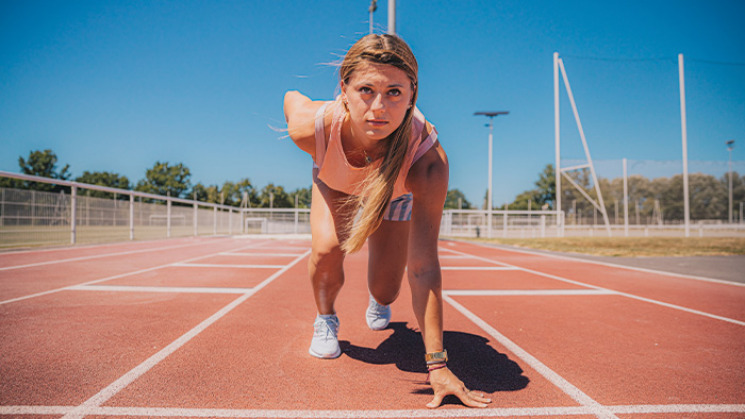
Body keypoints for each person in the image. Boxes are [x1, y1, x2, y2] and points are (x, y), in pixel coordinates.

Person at [283, 34, 491, 409]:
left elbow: (424, 265)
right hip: (337, 182)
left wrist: (437, 366)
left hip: (393, 189)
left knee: (386, 291)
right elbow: (292, 98)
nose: (378, 107)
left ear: (413, 95)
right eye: (366, 89)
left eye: (394, 92)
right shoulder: (309, 128)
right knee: (329, 247)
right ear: (343, 90)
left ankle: (378, 303)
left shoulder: (426, 160)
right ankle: (326, 317)